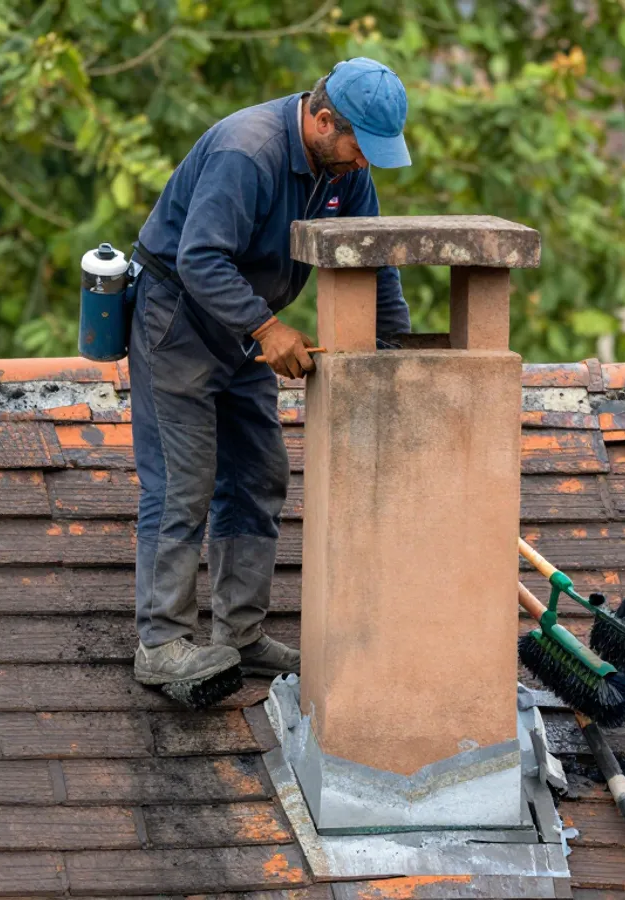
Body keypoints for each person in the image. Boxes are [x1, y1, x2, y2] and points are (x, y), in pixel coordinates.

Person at [127, 58, 412, 701]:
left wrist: (393, 349)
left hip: (244, 326)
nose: (364, 164)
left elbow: (370, 259)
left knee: (258, 474)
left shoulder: (343, 170)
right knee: (183, 481)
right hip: (178, 320)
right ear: (321, 119)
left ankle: (239, 634)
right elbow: (199, 257)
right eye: (358, 147)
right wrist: (266, 330)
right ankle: (162, 642)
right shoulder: (248, 150)